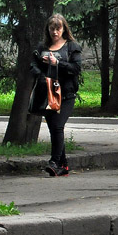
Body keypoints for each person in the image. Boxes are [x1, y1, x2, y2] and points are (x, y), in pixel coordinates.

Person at [30, 14, 82, 177]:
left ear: (64, 29)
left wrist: (57, 63)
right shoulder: (42, 47)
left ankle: (54, 161)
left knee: (58, 126)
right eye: (52, 29)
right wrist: (41, 76)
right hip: (48, 94)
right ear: (48, 30)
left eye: (58, 28)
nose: (55, 32)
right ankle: (63, 166)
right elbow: (32, 65)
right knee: (54, 129)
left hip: (66, 94)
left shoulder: (72, 46)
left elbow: (76, 68)